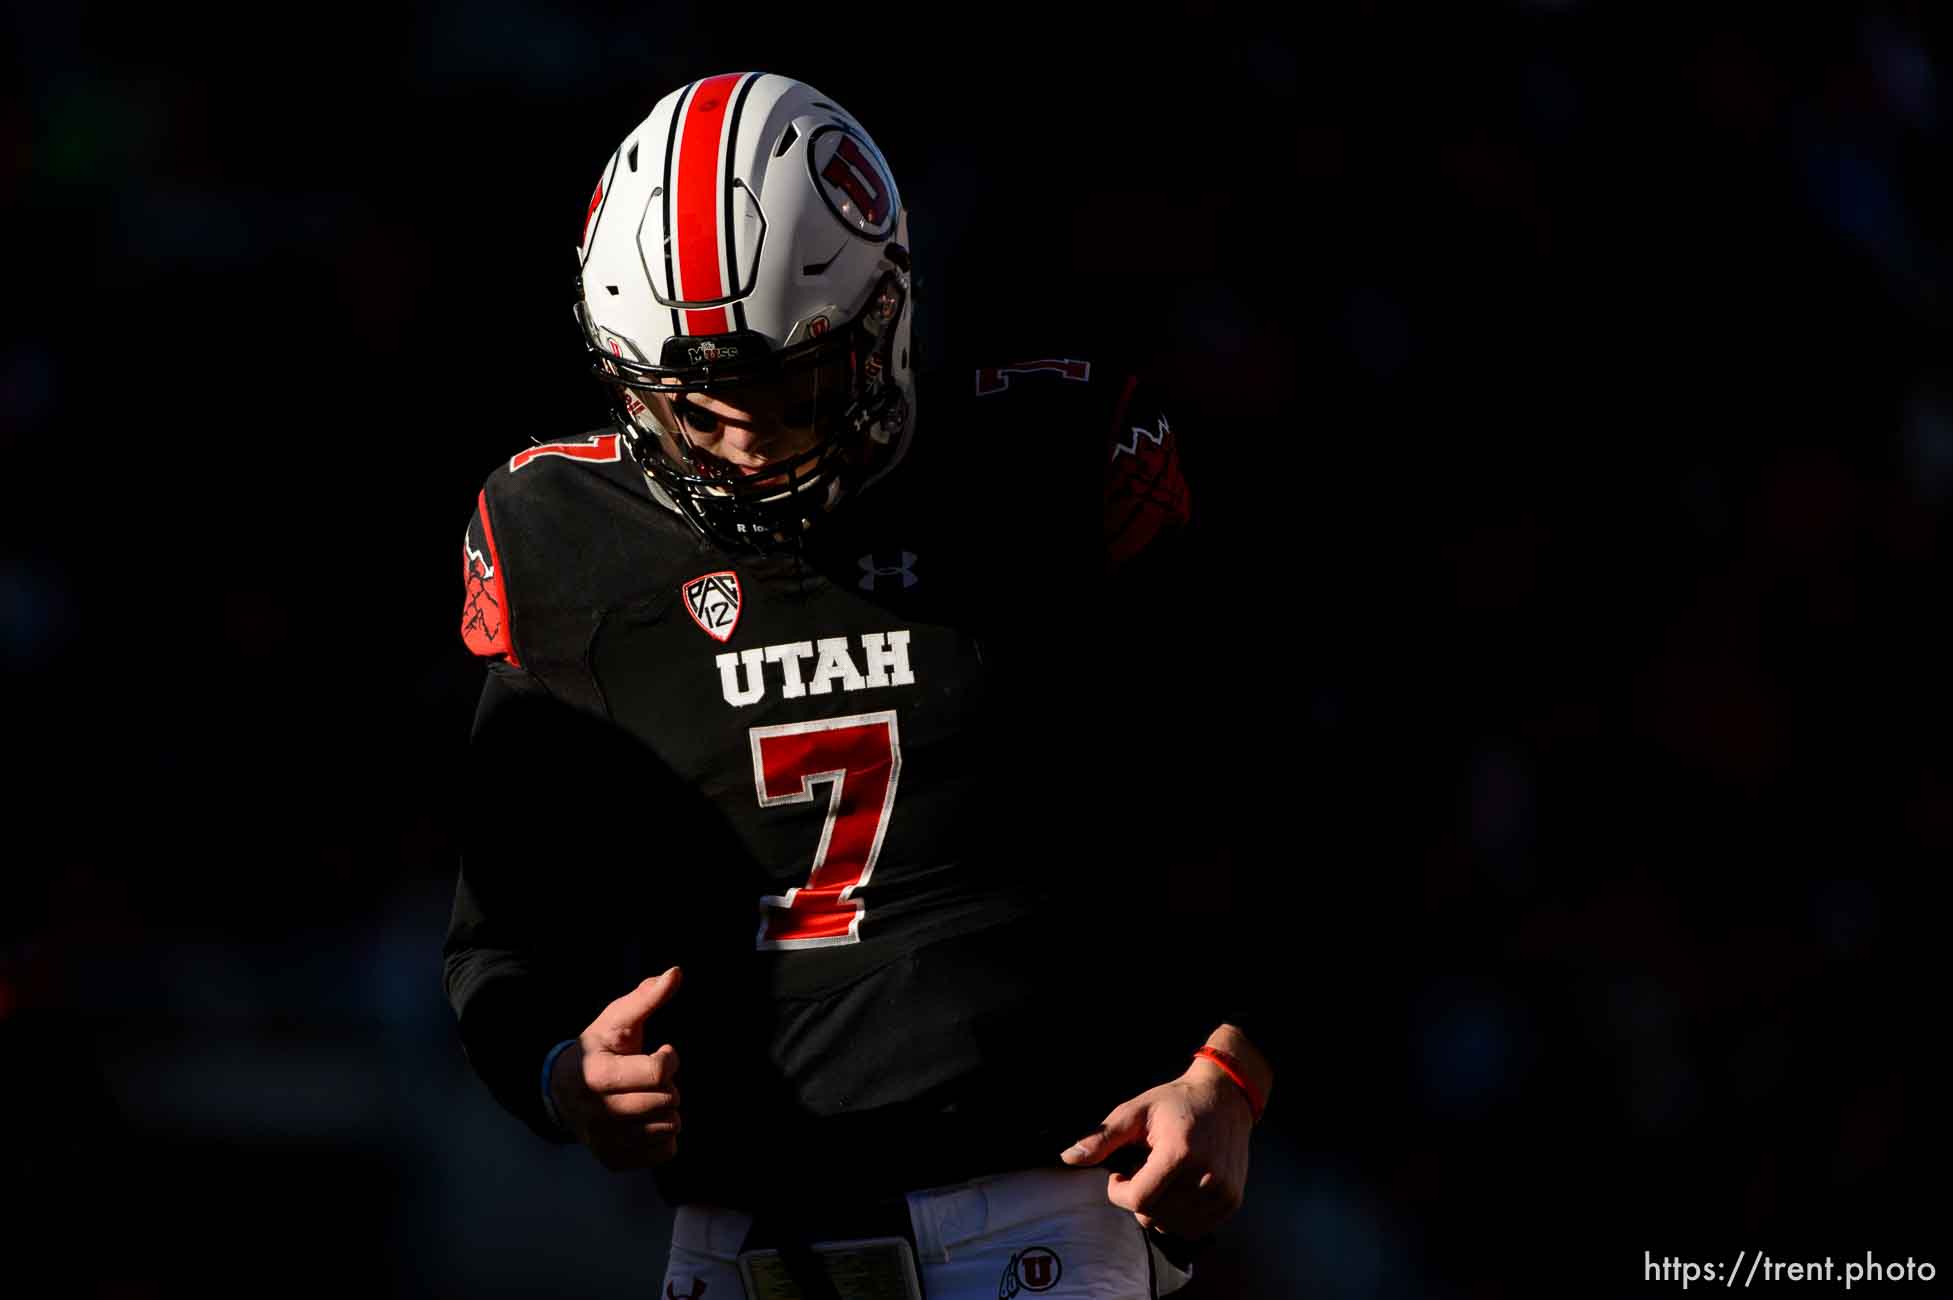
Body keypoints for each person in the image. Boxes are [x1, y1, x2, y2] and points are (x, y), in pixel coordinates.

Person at [443, 71, 1281, 1299]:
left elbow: (1263, 801)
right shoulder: (560, 535)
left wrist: (1231, 1066)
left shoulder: (1048, 461)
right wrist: (559, 1074)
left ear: (882, 312)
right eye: (696, 412)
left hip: (1037, 1213)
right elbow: (497, 942)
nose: (739, 444)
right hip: (736, 1245)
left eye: (783, 394)